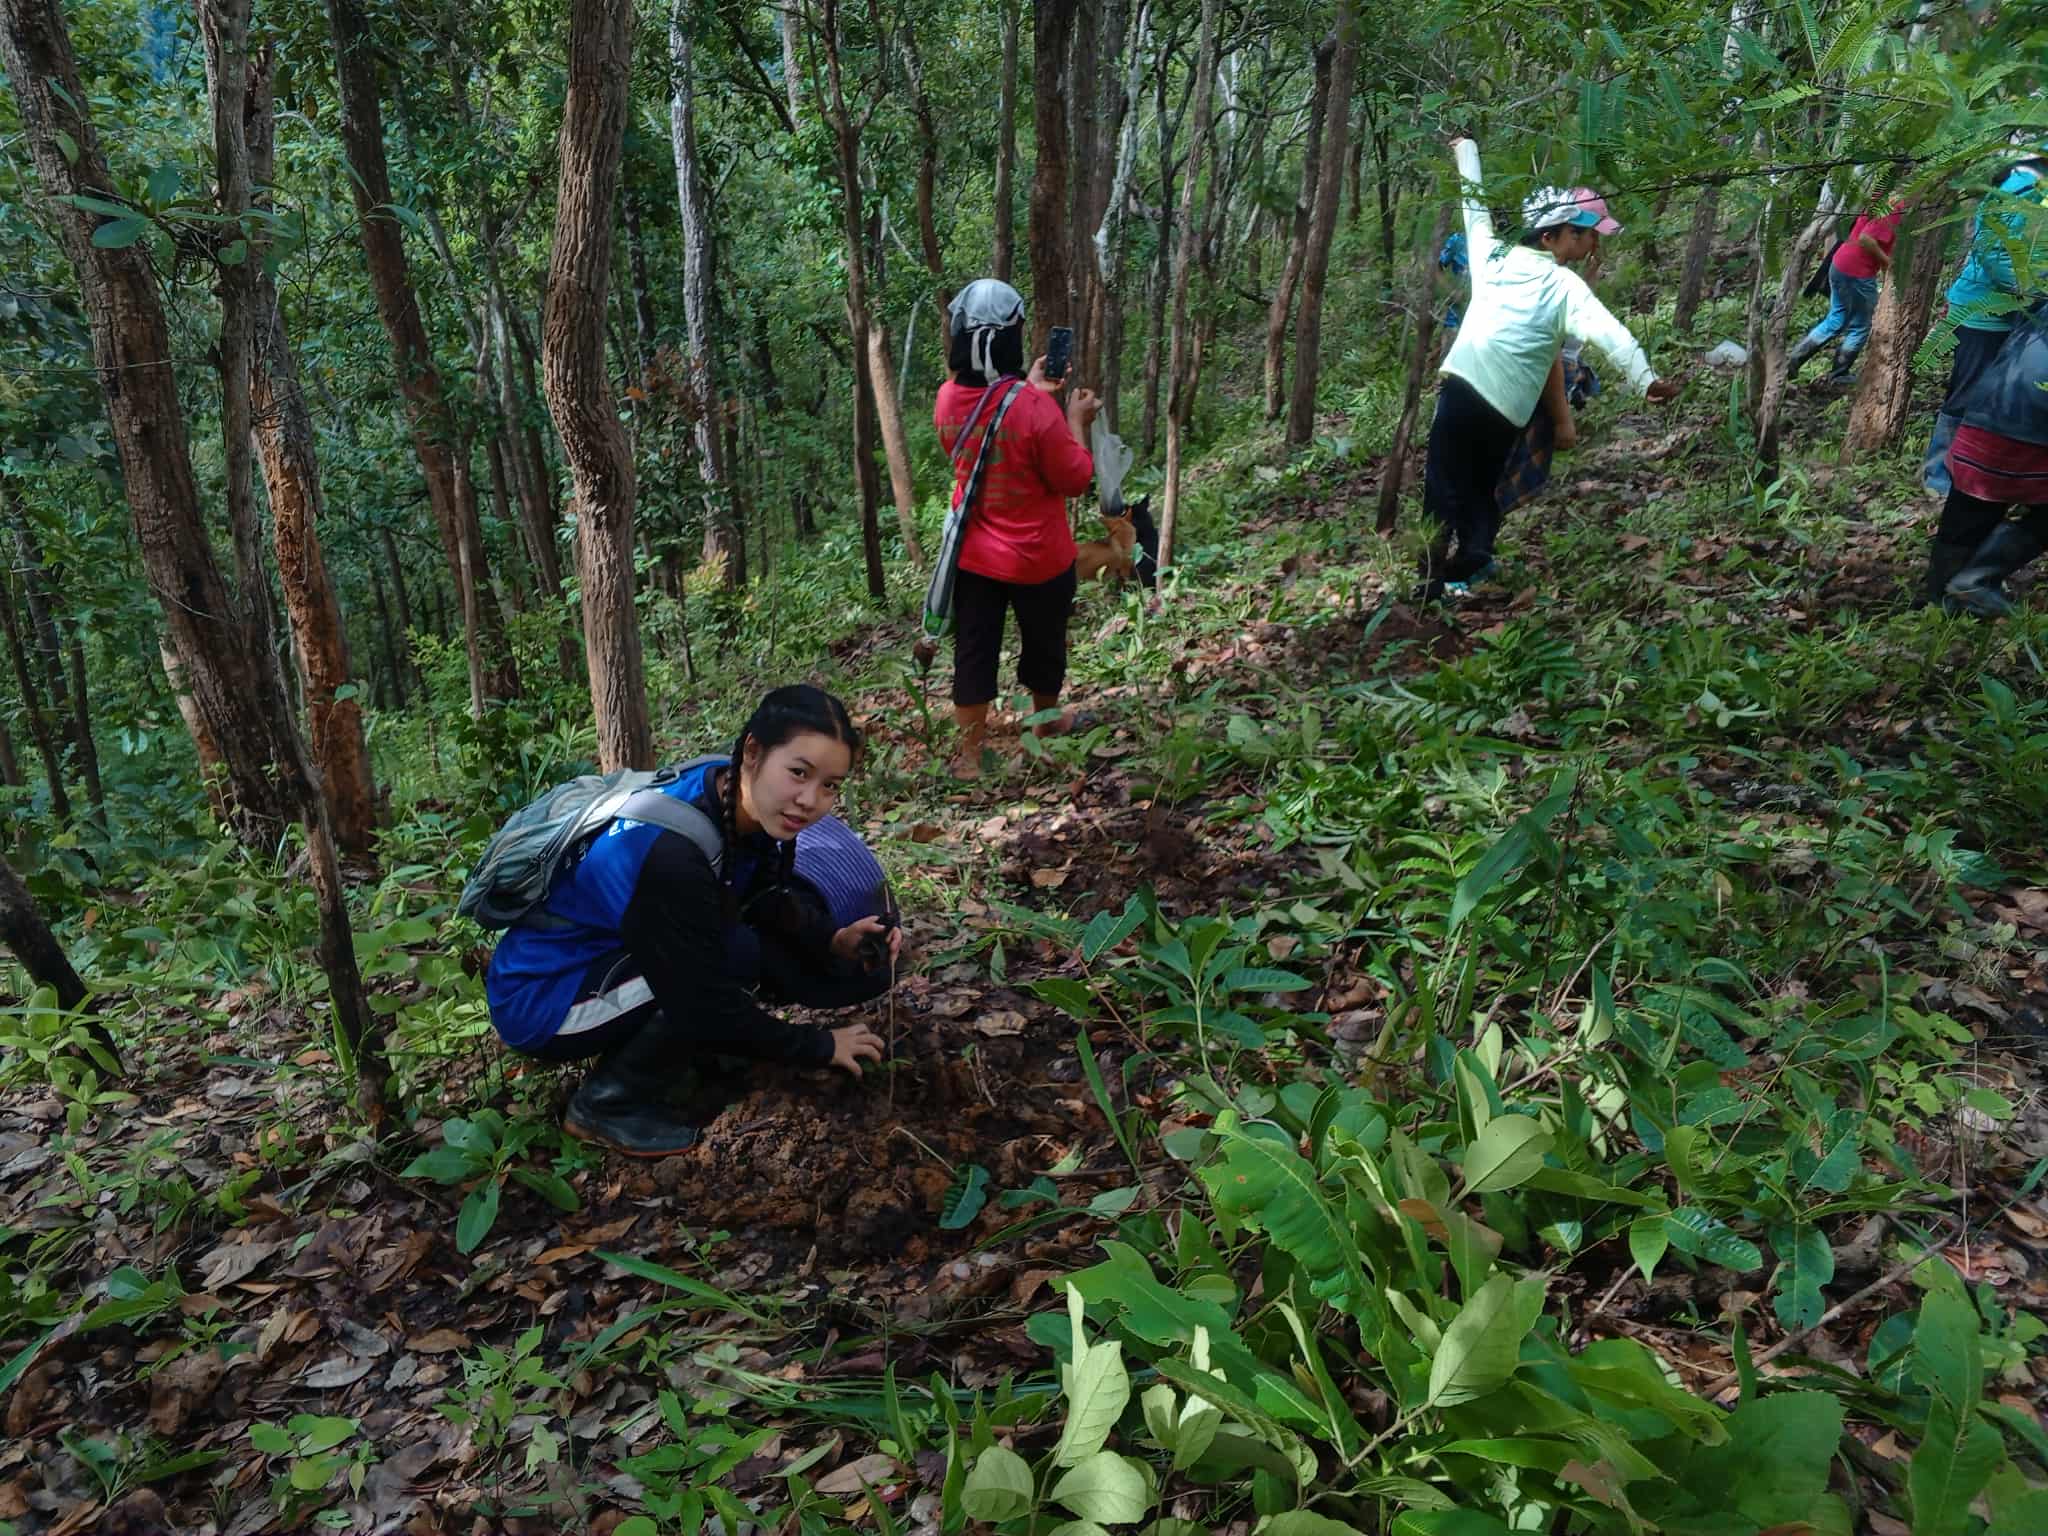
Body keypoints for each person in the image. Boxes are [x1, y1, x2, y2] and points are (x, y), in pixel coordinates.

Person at [484, 685, 900, 1156]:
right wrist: (818, 1045)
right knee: (728, 963)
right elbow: (704, 1000)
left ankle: (691, 1057)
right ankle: (605, 1104)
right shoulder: (671, 855)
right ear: (753, 753)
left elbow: (763, 896)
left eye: (829, 785)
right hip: (543, 997)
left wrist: (833, 939)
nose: (811, 800)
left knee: (743, 951)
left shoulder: (735, 795)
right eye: (799, 773)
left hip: (609, 956)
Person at [1422, 141, 1679, 596]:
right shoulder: (1563, 286)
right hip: (1505, 411)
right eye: (1584, 234)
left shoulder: (1490, 256)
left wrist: (1468, 152)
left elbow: (1473, 206)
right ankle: (1467, 568)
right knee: (1481, 486)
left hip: (1462, 391)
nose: (1592, 243)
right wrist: (1644, 380)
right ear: (1551, 236)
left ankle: (1431, 581)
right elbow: (1611, 333)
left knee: (1444, 483)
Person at [936, 279, 1101, 779]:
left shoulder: (947, 400)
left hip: (974, 558)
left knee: (974, 651)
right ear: (1012, 337)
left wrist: (1030, 395)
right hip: (1039, 559)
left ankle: (969, 755)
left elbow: (979, 439)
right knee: (1044, 647)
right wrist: (1073, 418)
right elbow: (1075, 477)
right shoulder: (1034, 409)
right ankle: (1042, 734)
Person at [1922, 152, 2048, 497]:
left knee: (1995, 397)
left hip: (2019, 316)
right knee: (1966, 394)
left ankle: (1980, 479)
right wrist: (2037, 288)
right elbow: (1993, 252)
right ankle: (1937, 476)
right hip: (1981, 312)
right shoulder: (2021, 185)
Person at [1919, 302, 2048, 617]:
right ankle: (1975, 580)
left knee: (1970, 509)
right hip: (2028, 425)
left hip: (1986, 407)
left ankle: (1936, 601)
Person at [1786, 200, 1903, 383]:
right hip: (1857, 272)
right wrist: (1888, 263)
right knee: (1860, 326)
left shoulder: (1884, 196)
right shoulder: (1895, 207)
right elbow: (1866, 239)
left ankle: (1794, 359)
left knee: (1836, 319)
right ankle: (1839, 374)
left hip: (1840, 263)